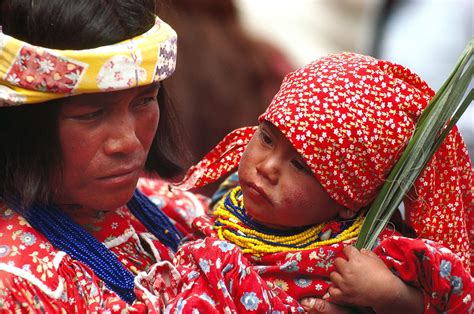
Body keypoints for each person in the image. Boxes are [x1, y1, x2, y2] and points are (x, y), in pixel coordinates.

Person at [165, 52, 473, 313]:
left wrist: (391, 296)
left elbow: (458, 298)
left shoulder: (368, 256)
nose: (268, 167)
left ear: (346, 201)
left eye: (301, 165)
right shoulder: (229, 197)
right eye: (267, 139)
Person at [0, 0, 211, 311]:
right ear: (24, 123)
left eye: (144, 101)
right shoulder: (15, 286)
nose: (128, 142)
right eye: (91, 114)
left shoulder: (185, 211)